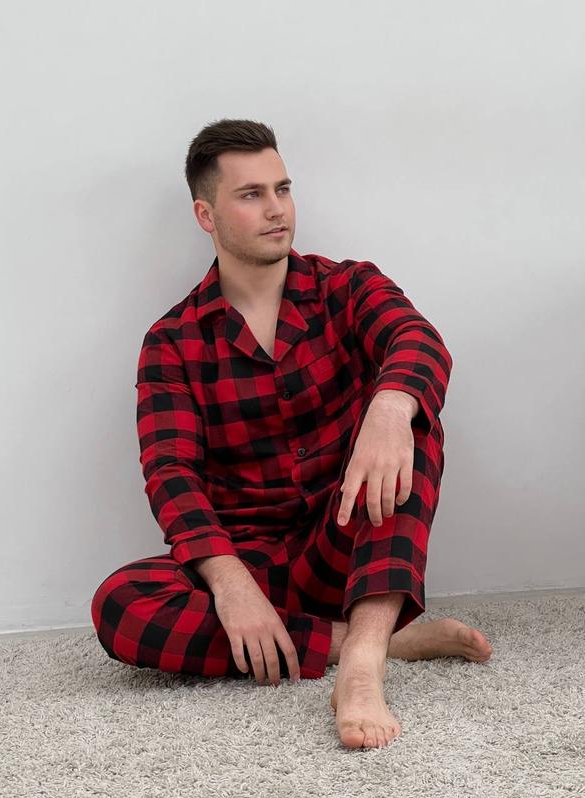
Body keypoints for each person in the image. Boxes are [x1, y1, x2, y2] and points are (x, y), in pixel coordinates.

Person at [91, 118, 493, 751]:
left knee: (414, 425)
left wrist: (390, 409)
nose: (277, 209)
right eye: (251, 194)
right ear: (205, 215)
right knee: (120, 604)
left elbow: (416, 338)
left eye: (282, 189)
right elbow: (171, 473)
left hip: (348, 539)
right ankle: (371, 640)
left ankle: (364, 663)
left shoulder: (347, 286)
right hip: (251, 562)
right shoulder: (171, 341)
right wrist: (229, 584)